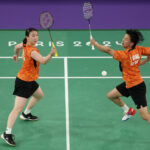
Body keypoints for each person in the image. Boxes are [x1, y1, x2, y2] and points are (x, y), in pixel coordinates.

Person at [1, 28, 57, 146]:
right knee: (16, 109)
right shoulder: (31, 50)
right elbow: (43, 61)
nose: (35, 38)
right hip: (23, 82)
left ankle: (26, 114)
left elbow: (16, 47)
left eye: (37, 35)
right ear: (27, 37)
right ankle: (7, 133)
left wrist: (15, 55)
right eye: (32, 36)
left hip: (30, 79)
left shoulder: (24, 44)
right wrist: (51, 54)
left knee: (39, 95)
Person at [90, 29, 150, 123]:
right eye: (123, 38)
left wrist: (95, 44)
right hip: (128, 83)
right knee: (110, 96)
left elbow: (108, 50)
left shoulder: (124, 55)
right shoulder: (139, 49)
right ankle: (127, 111)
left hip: (137, 87)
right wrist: (144, 61)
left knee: (145, 116)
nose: (123, 40)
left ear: (131, 43)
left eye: (126, 39)